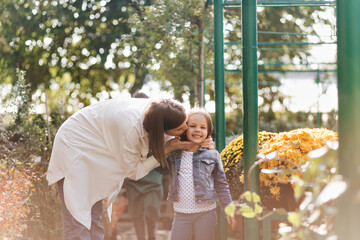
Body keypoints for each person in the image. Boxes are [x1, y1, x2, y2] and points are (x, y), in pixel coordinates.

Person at [46, 97, 202, 240]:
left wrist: (202, 142)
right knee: (77, 219)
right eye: (181, 128)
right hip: (75, 148)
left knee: (94, 219)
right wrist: (166, 150)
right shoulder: (131, 128)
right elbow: (134, 172)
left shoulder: (163, 112)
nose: (186, 129)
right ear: (163, 129)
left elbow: (193, 130)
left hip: (97, 154)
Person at [166, 108, 234, 240]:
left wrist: (228, 208)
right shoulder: (175, 154)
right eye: (192, 126)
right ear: (185, 129)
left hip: (206, 213)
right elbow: (159, 164)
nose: (198, 130)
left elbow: (221, 184)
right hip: (181, 213)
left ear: (208, 132)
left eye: (203, 127)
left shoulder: (212, 154)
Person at [123, 92, 164, 240]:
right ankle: (141, 237)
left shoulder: (154, 123)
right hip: (133, 178)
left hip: (153, 178)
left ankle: (152, 235)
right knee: (136, 213)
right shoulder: (128, 123)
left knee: (150, 210)